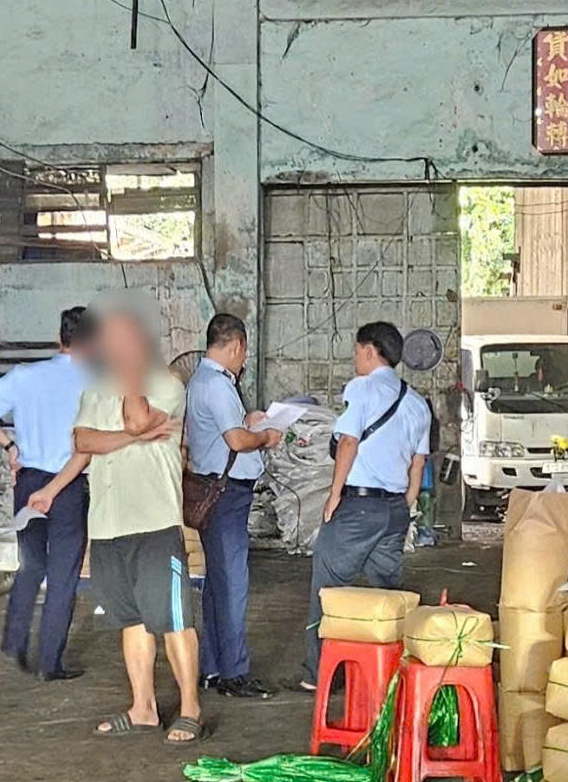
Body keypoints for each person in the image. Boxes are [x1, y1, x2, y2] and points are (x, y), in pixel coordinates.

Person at [72, 303, 206, 744]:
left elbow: (136, 417)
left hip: (154, 523)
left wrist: (132, 387)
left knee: (174, 620)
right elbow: (82, 440)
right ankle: (143, 709)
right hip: (107, 525)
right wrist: (133, 437)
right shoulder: (95, 389)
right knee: (130, 620)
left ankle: (190, 709)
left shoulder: (166, 385)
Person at [299, 320, 432, 691]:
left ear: (370, 351)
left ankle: (322, 674)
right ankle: (392, 670)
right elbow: (419, 461)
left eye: (357, 350)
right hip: (394, 509)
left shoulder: (361, 388)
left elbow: (348, 442)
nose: (355, 358)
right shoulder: (417, 403)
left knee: (328, 587)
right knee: (388, 592)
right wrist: (405, 504)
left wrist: (334, 494)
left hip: (358, 506)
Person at [0, 306, 94, 680]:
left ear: (60, 338)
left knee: (32, 563)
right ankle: (49, 662)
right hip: (68, 485)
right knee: (63, 574)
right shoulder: (97, 383)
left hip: (27, 482)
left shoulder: (25, 375)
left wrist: (9, 445)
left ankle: (14, 639)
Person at [184, 312, 282, 699]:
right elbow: (237, 441)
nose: (243, 361)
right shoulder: (219, 384)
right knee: (232, 586)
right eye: (244, 353)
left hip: (212, 492)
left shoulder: (199, 380)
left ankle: (212, 667)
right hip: (226, 496)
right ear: (237, 346)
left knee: (217, 585)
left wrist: (248, 419)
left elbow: (226, 429)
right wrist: (266, 436)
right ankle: (233, 674)